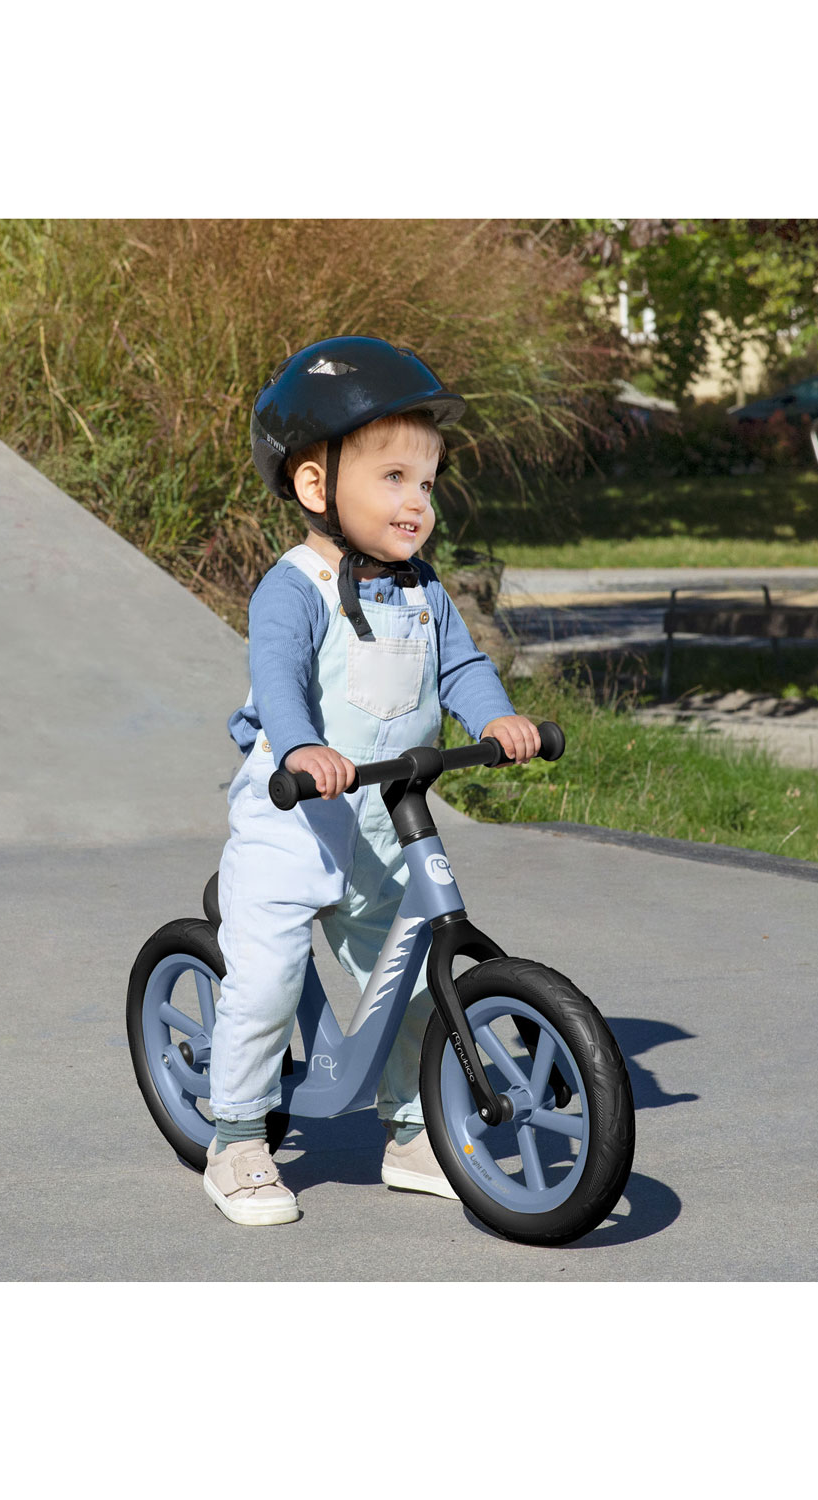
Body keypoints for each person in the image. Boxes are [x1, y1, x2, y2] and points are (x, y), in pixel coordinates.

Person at [205, 335, 540, 1226]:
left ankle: (413, 1133)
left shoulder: (423, 590)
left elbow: (460, 667)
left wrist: (495, 718)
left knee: (416, 982)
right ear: (315, 485)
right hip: (295, 814)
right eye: (393, 478)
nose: (417, 502)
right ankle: (236, 1137)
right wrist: (301, 749)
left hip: (388, 819)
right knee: (267, 980)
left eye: (427, 482)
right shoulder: (295, 587)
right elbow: (278, 678)